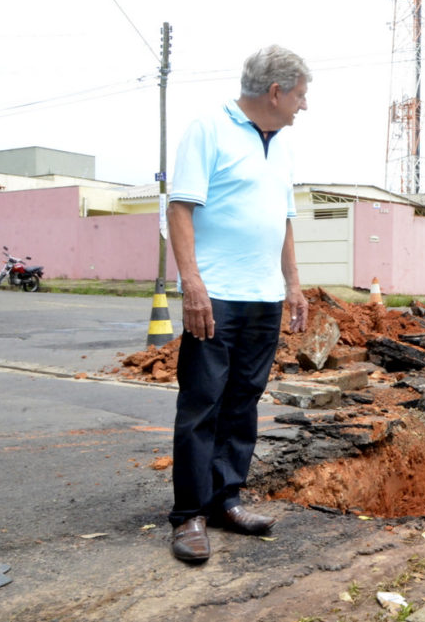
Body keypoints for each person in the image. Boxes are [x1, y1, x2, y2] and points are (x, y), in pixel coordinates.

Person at [166, 45, 311, 563]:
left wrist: (292, 284)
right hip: (217, 297)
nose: (303, 105)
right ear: (276, 92)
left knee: (243, 402)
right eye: (299, 95)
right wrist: (193, 285)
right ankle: (189, 517)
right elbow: (180, 208)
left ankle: (225, 500)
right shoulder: (208, 129)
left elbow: (284, 220)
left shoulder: (284, 147)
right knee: (203, 403)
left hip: (263, 298)